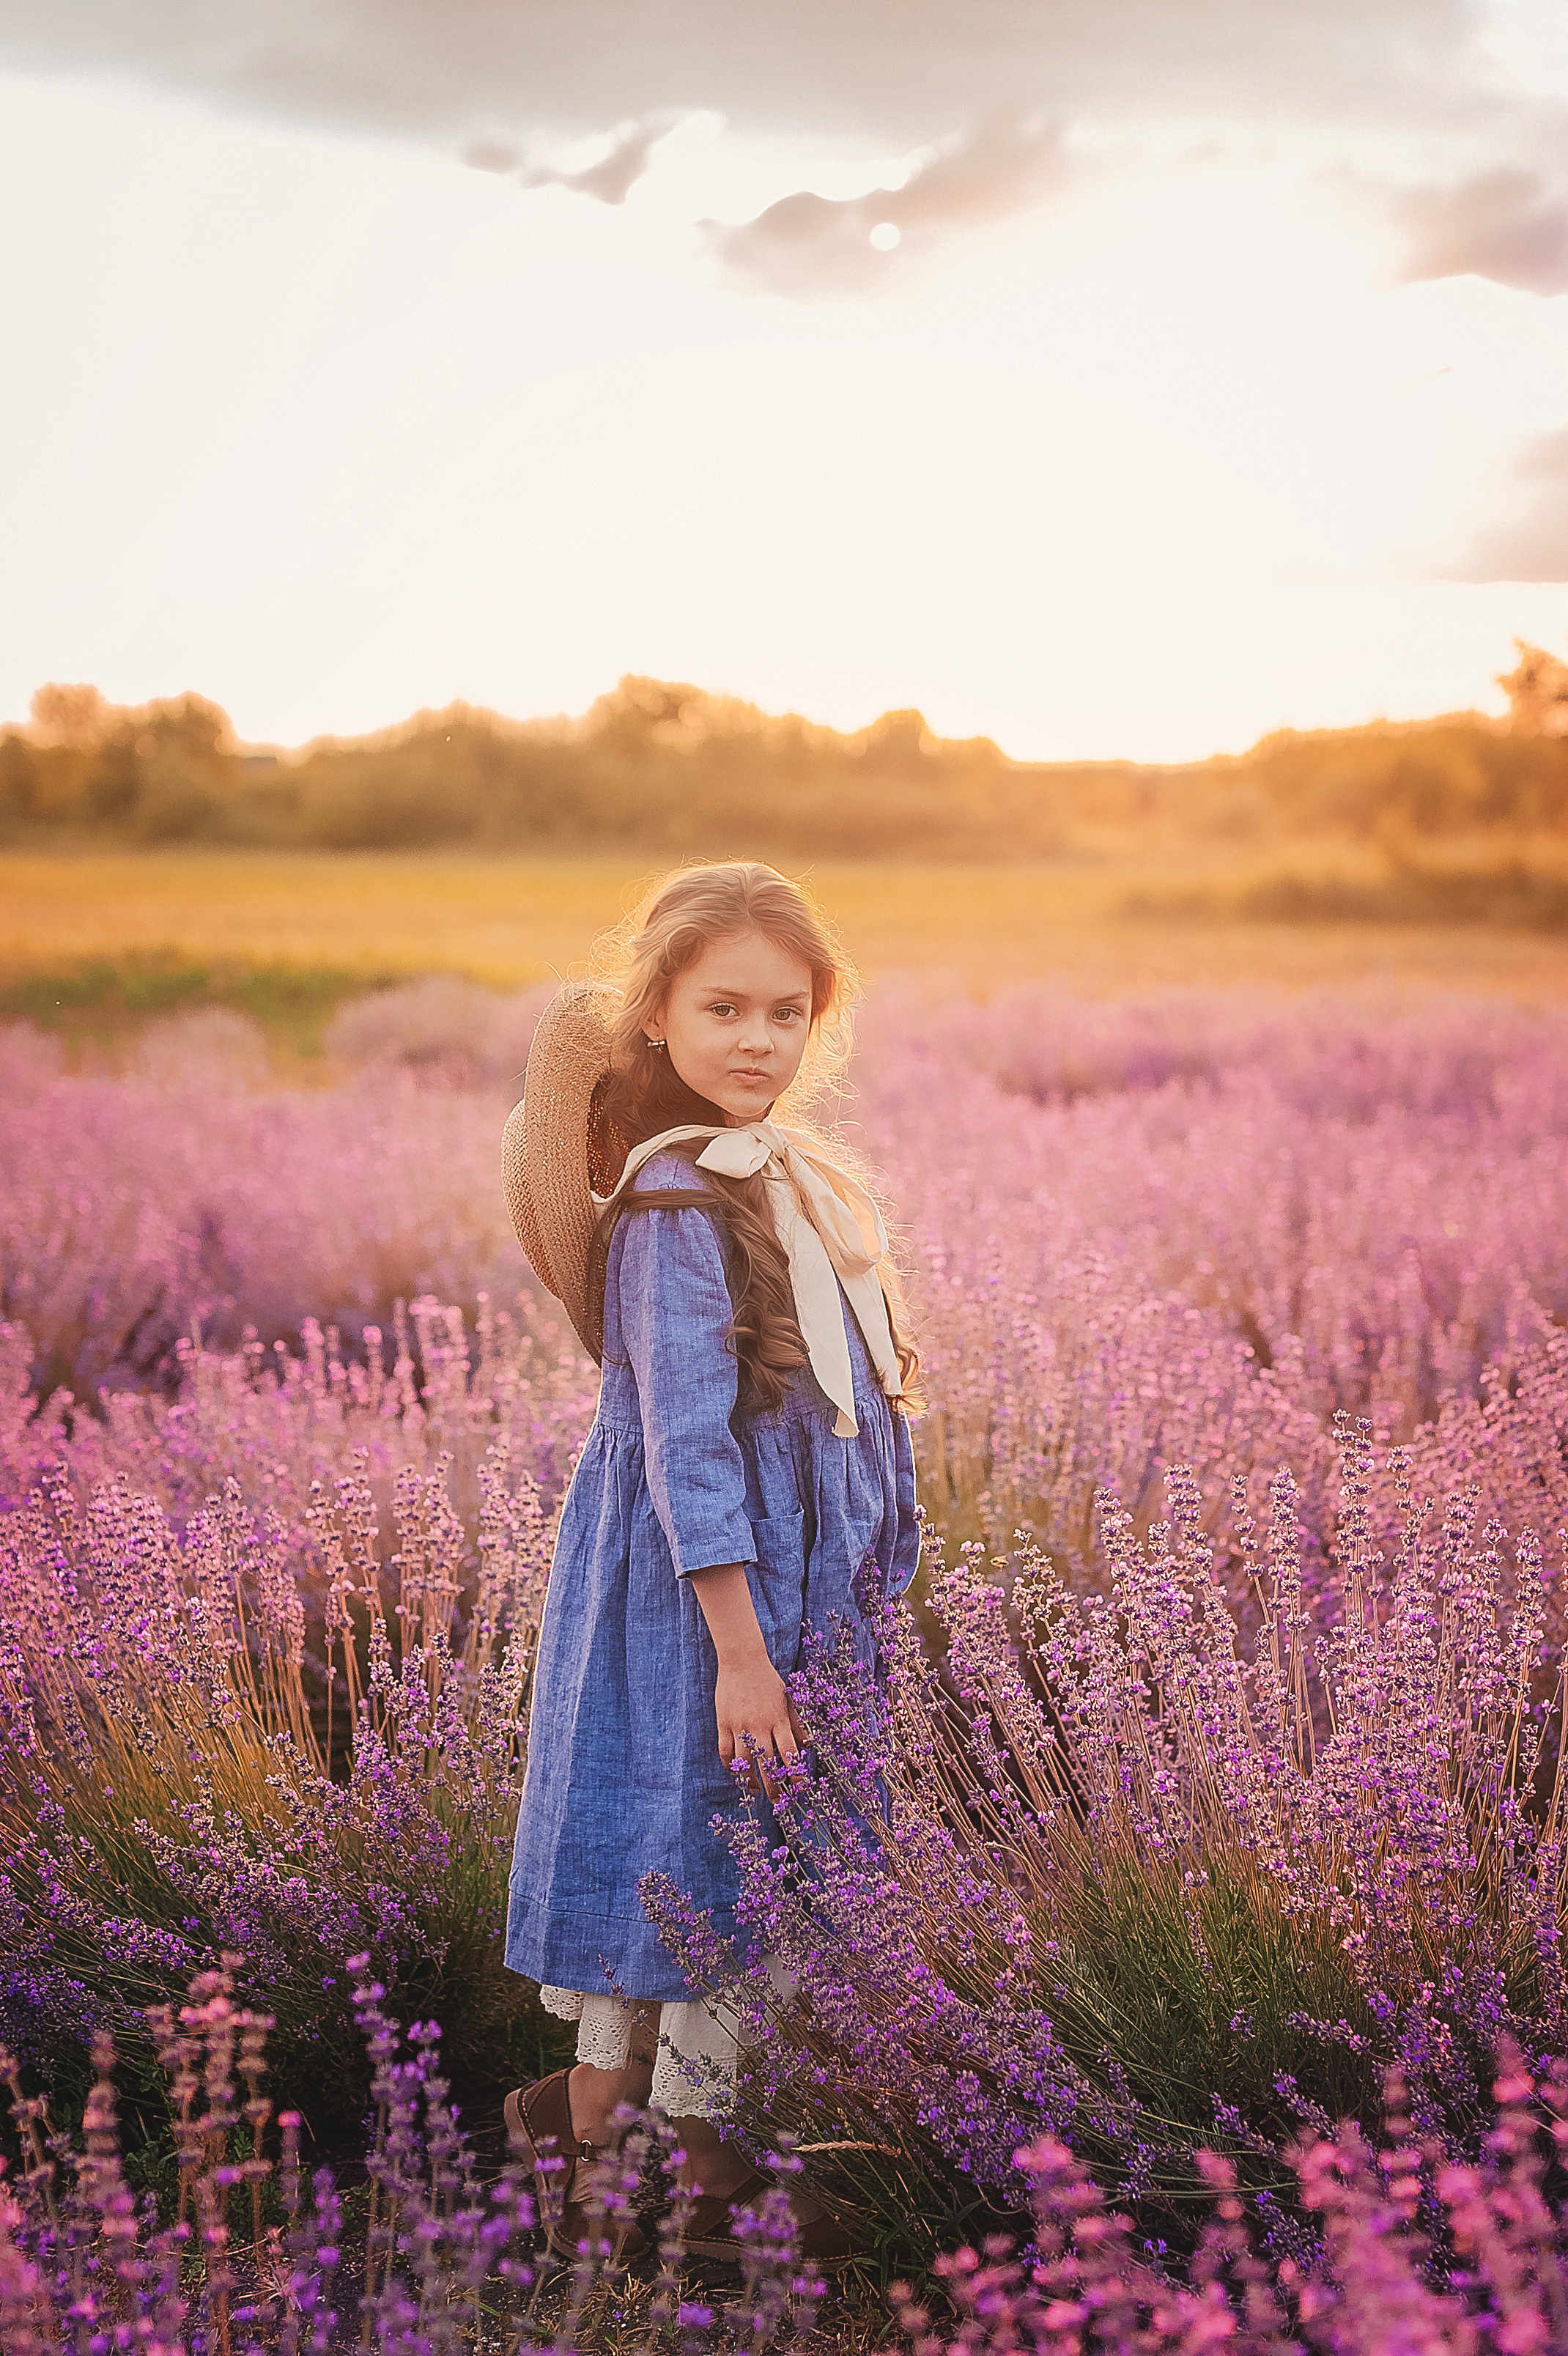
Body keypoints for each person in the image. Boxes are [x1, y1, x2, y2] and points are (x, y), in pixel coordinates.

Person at [499, 861, 920, 2263]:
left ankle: (608, 2155)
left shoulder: (788, 1182)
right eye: (724, 1007)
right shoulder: (674, 1204)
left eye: (786, 1013)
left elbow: (855, 1410)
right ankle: (675, 2180)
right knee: (688, 1856)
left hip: (789, 1589)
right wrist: (742, 1651)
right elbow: (690, 1453)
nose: (757, 1039)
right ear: (660, 1019)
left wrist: (872, 1573)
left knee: (717, 1857)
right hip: (700, 1603)